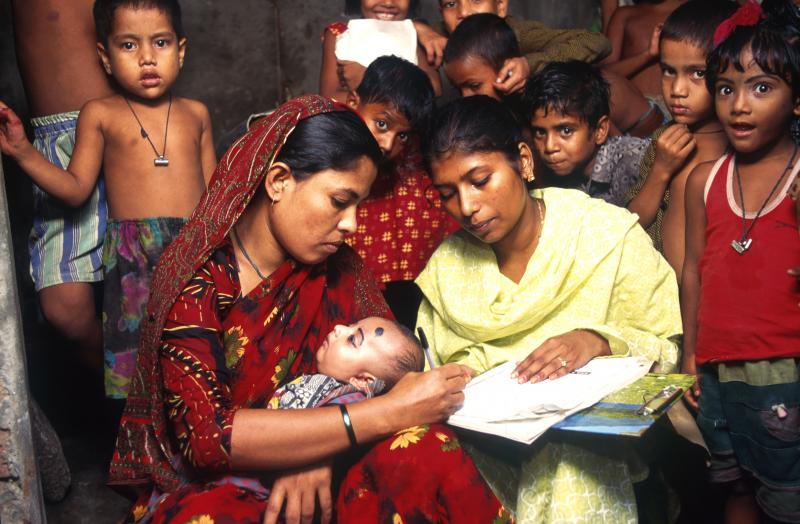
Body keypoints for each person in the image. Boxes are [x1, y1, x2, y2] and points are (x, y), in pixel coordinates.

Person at [108, 96, 505, 523]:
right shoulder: (200, 278)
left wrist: (319, 451)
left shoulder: (343, 271)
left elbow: (391, 375)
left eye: (359, 205)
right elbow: (207, 439)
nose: (352, 224)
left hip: (334, 474)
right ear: (279, 181)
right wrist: (348, 426)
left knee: (425, 449)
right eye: (339, 201)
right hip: (225, 486)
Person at [339, 95, 681, 523]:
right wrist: (456, 379)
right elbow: (429, 372)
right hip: (490, 451)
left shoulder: (603, 233)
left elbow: (666, 346)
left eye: (480, 180)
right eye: (447, 194)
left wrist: (597, 341)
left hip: (605, 453)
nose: (467, 207)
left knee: (566, 459)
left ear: (523, 160)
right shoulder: (446, 270)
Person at [0, 0, 216, 399]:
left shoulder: (195, 114)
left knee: (200, 353)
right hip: (133, 259)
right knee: (134, 367)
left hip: (193, 252)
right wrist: (23, 152)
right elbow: (75, 187)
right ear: (106, 56)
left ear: (179, 49)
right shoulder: (100, 114)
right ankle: (134, 426)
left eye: (161, 43)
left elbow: (214, 200)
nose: (147, 57)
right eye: (129, 46)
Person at [681, 1, 800, 522]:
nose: (739, 106)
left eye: (761, 88)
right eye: (727, 89)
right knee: (735, 490)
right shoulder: (703, 181)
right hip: (716, 373)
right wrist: (691, 352)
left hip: (786, 371)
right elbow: (693, 270)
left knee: (789, 500)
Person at [10, 0, 114, 377]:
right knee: (64, 309)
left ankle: (153, 402)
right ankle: (130, 400)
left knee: (155, 300)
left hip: (122, 132)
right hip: (55, 148)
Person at [343, 56, 458, 327]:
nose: (387, 144)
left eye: (402, 135)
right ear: (352, 102)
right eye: (382, 124)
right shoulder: (328, 142)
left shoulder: (412, 165)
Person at [626, 0, 736, 280]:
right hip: (662, 297)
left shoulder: (743, 146)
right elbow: (629, 225)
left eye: (697, 73)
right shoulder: (664, 140)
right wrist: (661, 171)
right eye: (668, 71)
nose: (677, 89)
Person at [441, 12, 662, 138]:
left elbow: (617, 146)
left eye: (474, 85)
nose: (466, 97)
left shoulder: (551, 88)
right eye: (459, 89)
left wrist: (530, 65)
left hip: (646, 132)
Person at [525, 60, 650, 207]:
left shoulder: (637, 160)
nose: (549, 146)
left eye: (566, 131)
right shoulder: (556, 176)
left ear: (600, 130)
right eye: (540, 132)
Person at [270, 317, 425, 410]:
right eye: (351, 325)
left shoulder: (343, 405)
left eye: (353, 340)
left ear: (362, 380)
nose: (339, 328)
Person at [319, 0, 441, 101]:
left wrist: (368, 78)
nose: (388, 3)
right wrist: (399, 91)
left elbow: (434, 89)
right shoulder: (339, 33)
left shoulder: (416, 34)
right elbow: (329, 97)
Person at [604, 0, 687, 99]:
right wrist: (647, 55)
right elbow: (604, 74)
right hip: (636, 104)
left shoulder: (690, 12)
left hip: (679, 101)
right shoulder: (625, 15)